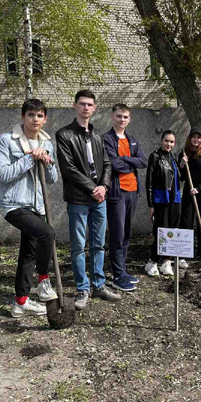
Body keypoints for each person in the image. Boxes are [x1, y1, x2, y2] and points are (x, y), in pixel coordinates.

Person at [0, 98, 59, 318]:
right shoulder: (5, 141)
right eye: (31, 115)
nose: (35, 119)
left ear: (45, 119)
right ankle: (42, 281)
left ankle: (20, 303)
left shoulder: (46, 143)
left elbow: (52, 179)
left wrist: (48, 162)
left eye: (40, 115)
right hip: (13, 204)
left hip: (36, 204)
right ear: (23, 117)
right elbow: (3, 175)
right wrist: (30, 158)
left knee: (28, 252)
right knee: (47, 233)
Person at [56, 90, 121, 310]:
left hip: (99, 198)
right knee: (78, 246)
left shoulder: (98, 136)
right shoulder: (64, 135)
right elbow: (68, 169)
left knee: (98, 245)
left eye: (90, 105)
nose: (86, 108)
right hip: (78, 199)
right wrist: (94, 188)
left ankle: (99, 285)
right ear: (75, 106)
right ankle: (83, 288)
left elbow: (108, 165)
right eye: (82, 104)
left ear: (94, 108)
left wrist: (104, 186)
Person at [104, 103, 147, 292]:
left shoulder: (132, 139)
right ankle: (117, 275)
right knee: (118, 234)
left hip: (132, 192)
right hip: (117, 192)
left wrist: (126, 159)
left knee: (127, 233)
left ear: (129, 119)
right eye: (119, 116)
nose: (122, 120)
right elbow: (115, 164)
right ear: (112, 117)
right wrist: (131, 161)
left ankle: (122, 269)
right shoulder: (106, 139)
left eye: (126, 117)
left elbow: (143, 161)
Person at [145, 130, 183, 276]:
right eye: (166, 141)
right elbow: (149, 182)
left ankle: (166, 262)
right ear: (161, 141)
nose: (169, 144)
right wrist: (151, 205)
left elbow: (179, 179)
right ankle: (152, 262)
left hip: (175, 200)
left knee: (172, 231)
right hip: (161, 200)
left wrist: (183, 165)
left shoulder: (173, 157)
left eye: (172, 142)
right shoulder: (155, 156)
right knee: (162, 232)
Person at [179, 127, 201, 262]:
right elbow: (181, 177)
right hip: (188, 190)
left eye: (199, 137)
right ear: (190, 138)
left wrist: (198, 188)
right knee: (186, 221)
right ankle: (185, 253)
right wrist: (182, 164)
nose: (196, 140)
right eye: (194, 137)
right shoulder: (184, 153)